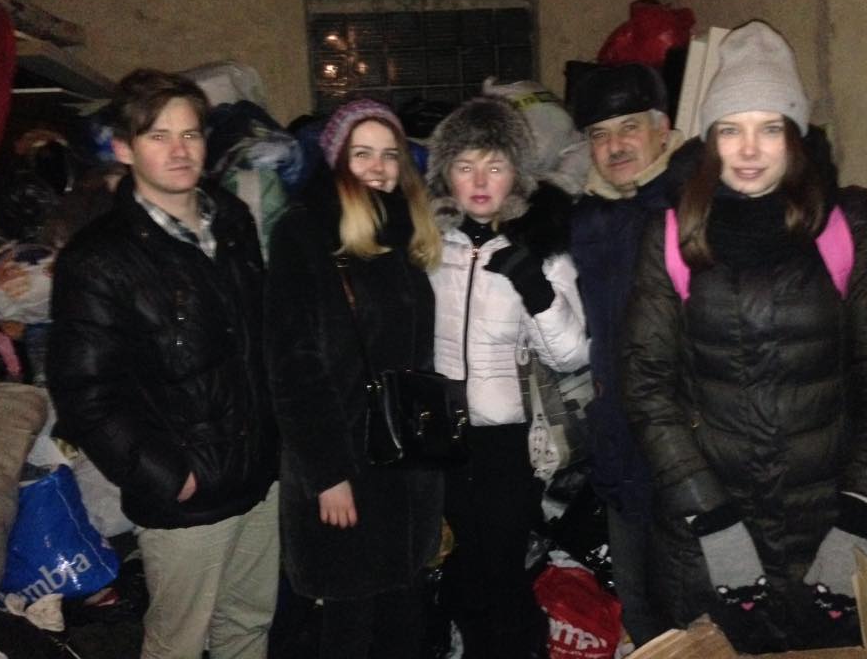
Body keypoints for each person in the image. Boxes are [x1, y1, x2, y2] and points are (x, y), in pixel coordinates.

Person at [620, 21, 867, 653]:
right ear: (710, 139)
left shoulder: (848, 225)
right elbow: (647, 386)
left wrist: (861, 516)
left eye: (770, 127)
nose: (749, 149)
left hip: (828, 534)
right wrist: (711, 518)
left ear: (795, 135)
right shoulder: (672, 236)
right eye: (731, 129)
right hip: (706, 540)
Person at [47, 69, 279, 659]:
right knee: (177, 642)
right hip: (187, 494)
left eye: (191, 134)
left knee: (249, 624)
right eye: (159, 136)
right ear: (125, 149)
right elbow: (84, 392)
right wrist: (166, 475)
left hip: (259, 474)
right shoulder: (99, 258)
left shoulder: (231, 219)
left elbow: (257, 343)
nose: (180, 150)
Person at [265, 99, 443, 659]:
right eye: (362, 153)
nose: (379, 167)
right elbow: (293, 367)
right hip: (346, 460)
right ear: (336, 159)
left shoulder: (405, 231)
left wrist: (435, 452)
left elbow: (418, 355)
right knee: (350, 623)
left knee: (404, 616)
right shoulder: (305, 233)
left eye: (390, 154)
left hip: (406, 457)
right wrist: (328, 474)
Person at [426, 95, 590, 658]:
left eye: (494, 166)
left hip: (505, 443)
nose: (479, 181)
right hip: (439, 440)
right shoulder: (428, 246)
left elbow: (570, 355)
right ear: (446, 174)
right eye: (465, 165)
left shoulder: (540, 249)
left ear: (515, 174)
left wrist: (534, 287)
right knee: (457, 573)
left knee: (502, 575)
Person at [568, 63, 692, 650]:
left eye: (629, 127)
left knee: (695, 615)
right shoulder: (587, 221)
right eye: (600, 133)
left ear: (662, 130)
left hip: (686, 454)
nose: (614, 145)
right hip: (619, 449)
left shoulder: (694, 209)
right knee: (639, 607)